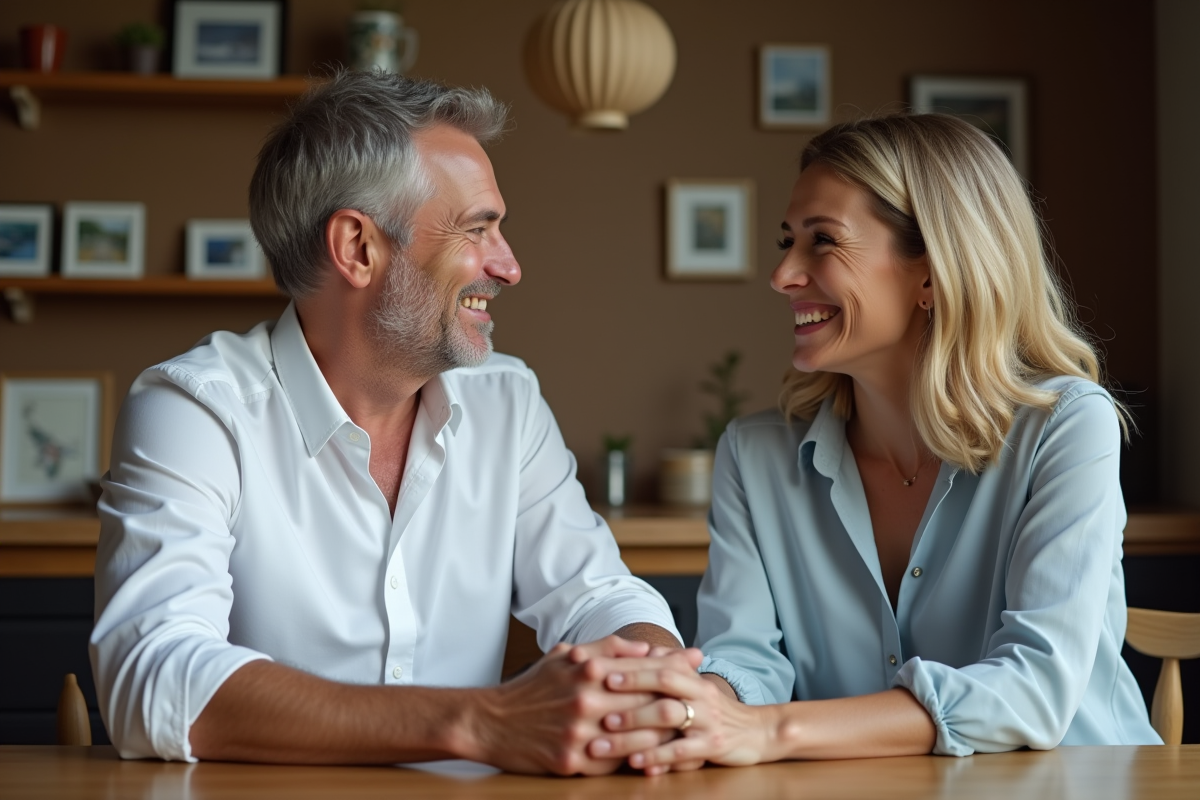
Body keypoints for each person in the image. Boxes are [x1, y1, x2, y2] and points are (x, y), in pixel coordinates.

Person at [89, 70, 697, 775]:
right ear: (357, 248)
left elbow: (599, 595)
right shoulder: (194, 409)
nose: (509, 266)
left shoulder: (507, 403)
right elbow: (155, 678)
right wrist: (482, 721)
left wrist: (652, 683)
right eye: (478, 229)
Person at [588, 113, 1162, 773]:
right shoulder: (754, 456)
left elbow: (1034, 690)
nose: (781, 274)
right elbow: (745, 658)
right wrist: (698, 707)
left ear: (932, 272)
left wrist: (770, 731)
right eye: (787, 240)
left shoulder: (1066, 425)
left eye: (822, 241)